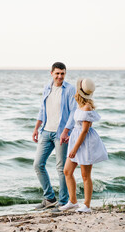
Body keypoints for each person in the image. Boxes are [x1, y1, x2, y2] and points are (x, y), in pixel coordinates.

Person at [59, 78, 108, 213]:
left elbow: (85, 131)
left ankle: (86, 205)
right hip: (76, 139)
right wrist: (70, 137)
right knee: (67, 171)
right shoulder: (79, 105)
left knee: (85, 175)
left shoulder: (87, 107)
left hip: (85, 143)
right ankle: (73, 201)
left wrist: (75, 148)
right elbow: (78, 127)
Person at [32, 62, 77, 210]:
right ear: (51, 73)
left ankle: (63, 202)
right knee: (38, 164)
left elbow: (73, 112)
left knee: (61, 168)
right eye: (57, 73)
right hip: (46, 131)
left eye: (62, 73)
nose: (60, 76)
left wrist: (66, 131)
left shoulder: (70, 89)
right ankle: (50, 198)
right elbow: (42, 109)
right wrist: (36, 128)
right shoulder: (47, 87)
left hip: (60, 134)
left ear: (65, 74)